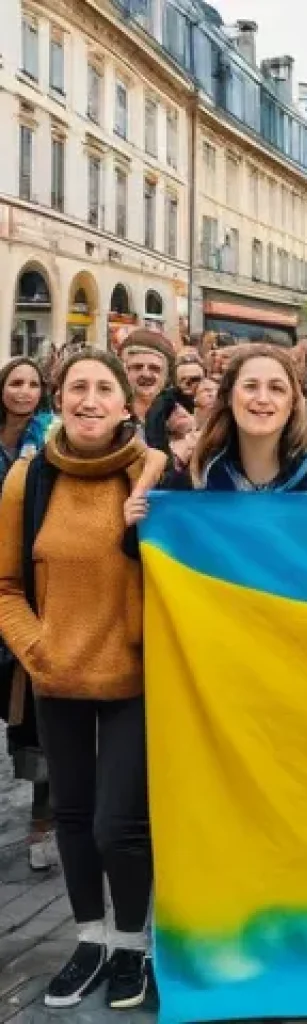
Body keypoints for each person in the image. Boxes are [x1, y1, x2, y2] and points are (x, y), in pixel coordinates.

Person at [0, 350, 156, 1009]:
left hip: (133, 678)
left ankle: (131, 943)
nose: (89, 399)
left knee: (118, 823)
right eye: (76, 388)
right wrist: (37, 648)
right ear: (58, 400)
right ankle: (89, 938)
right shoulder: (28, 480)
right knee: (70, 814)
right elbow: (6, 584)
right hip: (54, 675)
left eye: (103, 389)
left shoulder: (153, 478)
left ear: (127, 406)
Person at [135, 344, 307, 498]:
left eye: (276, 388)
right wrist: (138, 513)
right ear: (229, 397)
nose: (262, 399)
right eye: (250, 386)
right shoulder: (197, 478)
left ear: (293, 402)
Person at [0, 357, 56, 872]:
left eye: (33, 384)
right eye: (15, 383)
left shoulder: (49, 445)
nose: (24, 392)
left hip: (25, 589)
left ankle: (42, 823)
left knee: (36, 718)